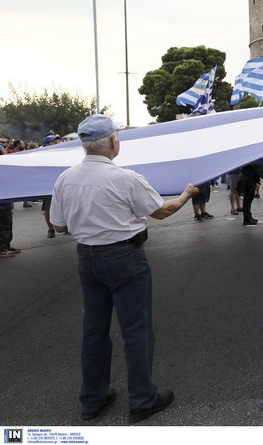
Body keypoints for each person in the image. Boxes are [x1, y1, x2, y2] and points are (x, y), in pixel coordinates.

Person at [49, 114, 199, 423]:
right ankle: (142, 399)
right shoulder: (125, 178)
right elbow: (162, 211)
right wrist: (187, 193)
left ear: (84, 145)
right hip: (124, 257)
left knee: (94, 331)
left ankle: (93, 399)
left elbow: (58, 225)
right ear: (114, 142)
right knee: (136, 329)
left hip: (87, 259)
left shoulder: (65, 179)